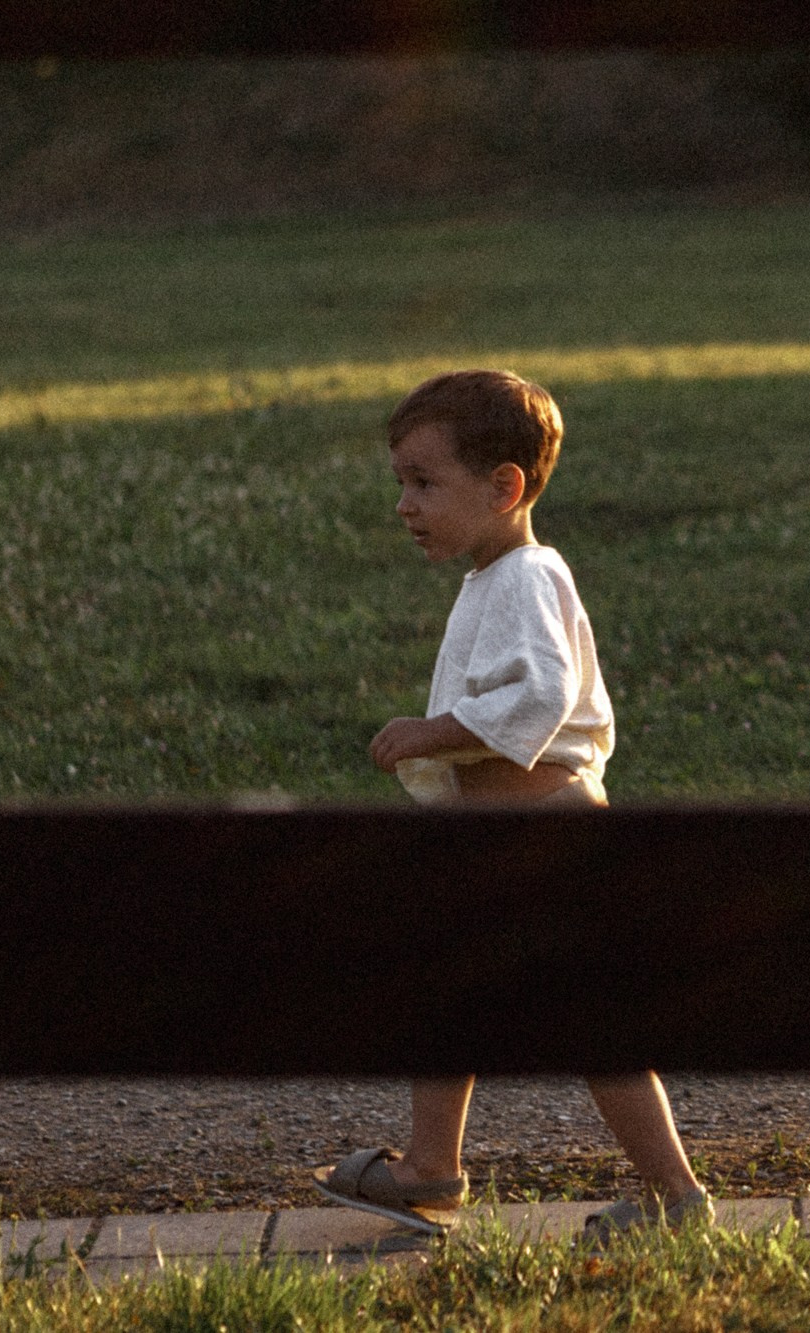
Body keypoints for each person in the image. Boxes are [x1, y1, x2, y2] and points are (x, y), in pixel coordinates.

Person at [311, 369, 710, 1235]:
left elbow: (538, 699)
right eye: (401, 485)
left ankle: (677, 1197)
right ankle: (432, 1167)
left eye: (424, 483)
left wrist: (430, 732)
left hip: (546, 838)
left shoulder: (529, 576)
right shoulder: (492, 577)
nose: (406, 506)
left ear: (505, 487)